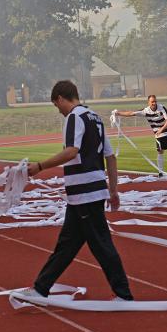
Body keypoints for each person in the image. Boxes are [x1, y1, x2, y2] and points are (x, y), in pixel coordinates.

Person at [14, 80, 133, 302]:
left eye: (56, 105)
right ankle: (41, 288)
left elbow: (71, 151)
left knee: (101, 244)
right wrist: (113, 190)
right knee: (67, 245)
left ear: (60, 98)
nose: (58, 111)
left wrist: (40, 166)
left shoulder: (74, 117)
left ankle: (124, 294)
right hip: (85, 193)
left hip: (85, 191)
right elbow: (110, 156)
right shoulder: (95, 117)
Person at [114, 95, 167, 176]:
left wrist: (161, 129)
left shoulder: (161, 107)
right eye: (152, 102)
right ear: (148, 102)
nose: (154, 103)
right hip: (159, 135)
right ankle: (161, 172)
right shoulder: (145, 111)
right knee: (160, 151)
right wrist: (118, 113)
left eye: (155, 101)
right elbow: (131, 113)